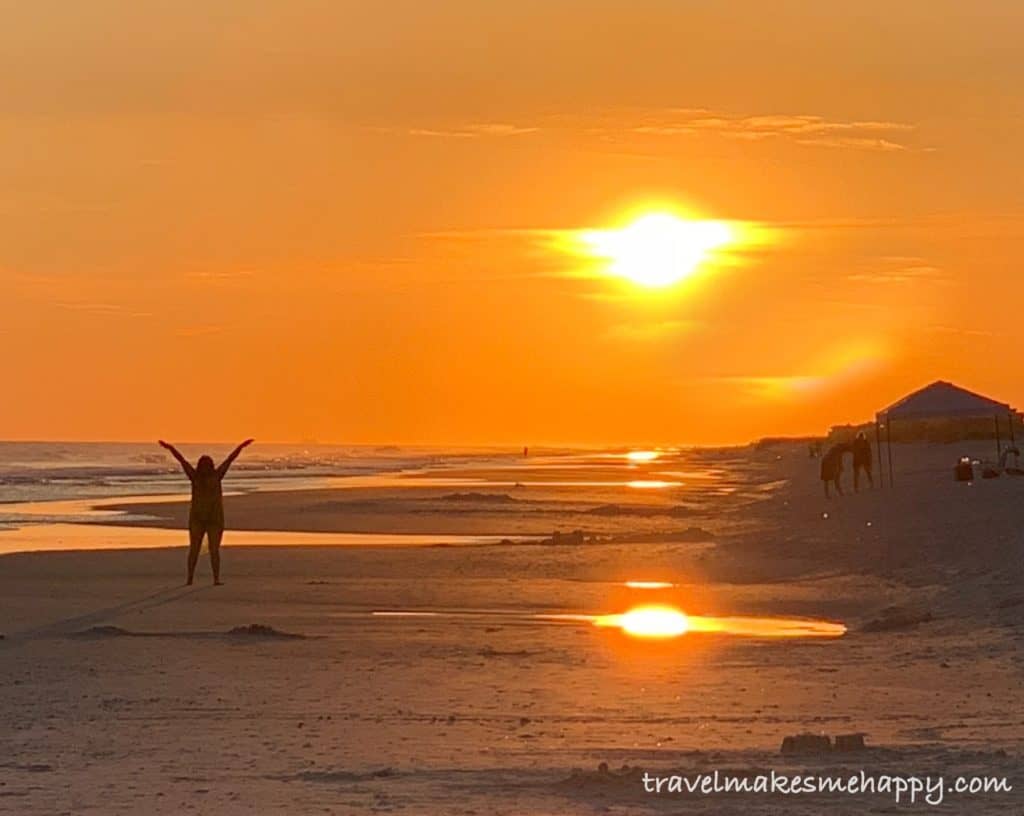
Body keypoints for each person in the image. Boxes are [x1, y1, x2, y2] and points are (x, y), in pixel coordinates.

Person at [158, 439, 253, 586]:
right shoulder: (202, 477)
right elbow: (182, 460)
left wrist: (240, 447)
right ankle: (196, 578)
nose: (205, 468)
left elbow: (229, 459)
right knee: (201, 550)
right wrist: (171, 449)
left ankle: (205, 578)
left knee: (208, 550)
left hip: (211, 519)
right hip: (202, 519)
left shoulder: (208, 476)